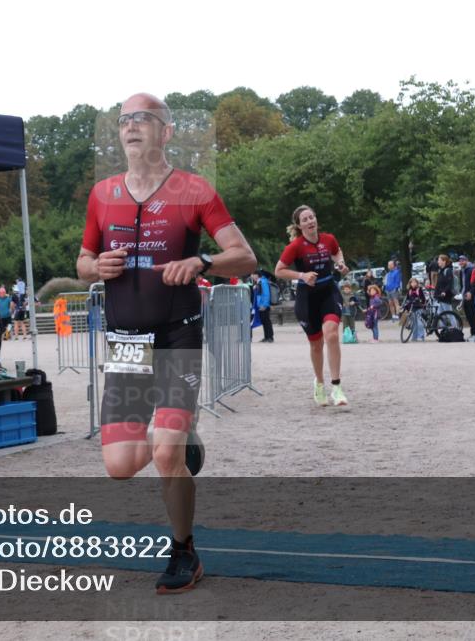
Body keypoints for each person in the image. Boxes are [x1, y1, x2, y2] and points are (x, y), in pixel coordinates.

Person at [76, 92, 256, 594]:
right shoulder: (102, 194)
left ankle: (184, 551)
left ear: (166, 132)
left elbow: (245, 258)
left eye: (144, 119)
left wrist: (202, 264)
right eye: (124, 120)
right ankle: (183, 441)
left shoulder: (195, 191)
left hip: (177, 336)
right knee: (120, 465)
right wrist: (96, 268)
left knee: (164, 455)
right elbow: (83, 261)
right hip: (127, 342)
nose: (131, 126)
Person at [275, 204, 350, 407]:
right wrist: (302, 275)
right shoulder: (296, 246)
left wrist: (340, 264)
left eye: (312, 217)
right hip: (307, 298)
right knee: (316, 345)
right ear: (299, 225)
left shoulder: (328, 239)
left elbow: (337, 252)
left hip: (328, 291)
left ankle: (336, 388)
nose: (310, 221)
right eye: (305, 219)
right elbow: (279, 270)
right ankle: (319, 383)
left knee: (332, 334)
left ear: (316, 219)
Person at [457, 255, 475, 341]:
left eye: (463, 260)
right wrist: (461, 293)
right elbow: (462, 284)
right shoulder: (461, 271)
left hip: (471, 295)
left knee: (473, 314)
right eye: (460, 261)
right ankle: (472, 333)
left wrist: (471, 292)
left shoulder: (471, 270)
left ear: (467, 261)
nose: (461, 262)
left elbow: (474, 283)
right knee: (468, 315)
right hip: (464, 295)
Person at [251, 271, 274, 342]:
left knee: (267, 321)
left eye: (253, 275)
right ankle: (266, 337)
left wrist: (265, 305)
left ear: (257, 275)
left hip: (264, 305)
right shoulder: (259, 282)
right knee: (264, 321)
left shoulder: (263, 281)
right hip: (261, 305)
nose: (252, 276)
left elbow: (266, 294)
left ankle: (270, 337)